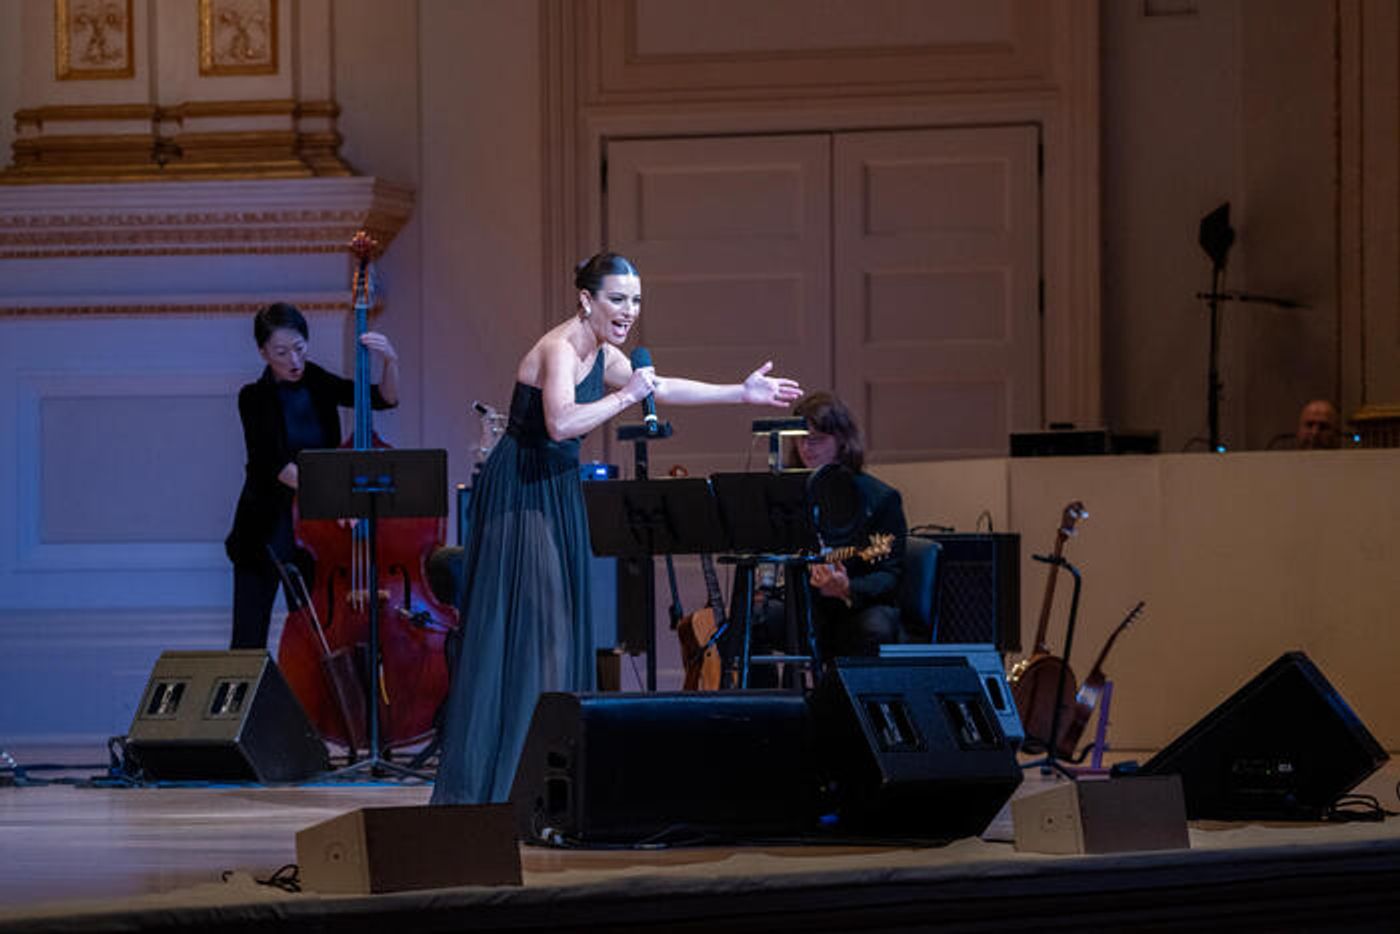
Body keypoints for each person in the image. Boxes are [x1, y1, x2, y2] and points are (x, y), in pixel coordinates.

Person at [430, 251, 802, 805]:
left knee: (558, 629)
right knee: (536, 628)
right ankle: (504, 783)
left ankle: (544, 777)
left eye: (636, 301)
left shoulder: (603, 353)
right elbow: (560, 422)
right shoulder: (560, 349)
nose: (629, 311)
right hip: (522, 488)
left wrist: (739, 393)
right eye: (618, 299)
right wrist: (625, 397)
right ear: (587, 300)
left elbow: (660, 386)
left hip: (556, 486)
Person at [224, 302, 400, 650]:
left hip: (311, 532)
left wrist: (391, 361)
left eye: (299, 348)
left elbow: (382, 399)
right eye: (281, 352)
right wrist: (334, 499)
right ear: (263, 353)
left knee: (313, 637)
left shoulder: (317, 380)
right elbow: (277, 467)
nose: (294, 360)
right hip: (263, 532)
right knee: (247, 642)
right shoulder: (253, 398)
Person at [749, 392, 908, 681]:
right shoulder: (787, 497)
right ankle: (768, 702)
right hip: (805, 606)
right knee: (748, 620)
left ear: (842, 441)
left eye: (817, 439)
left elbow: (889, 574)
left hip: (856, 609)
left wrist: (847, 587)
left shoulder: (880, 499)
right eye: (801, 439)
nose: (806, 448)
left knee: (875, 628)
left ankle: (848, 706)